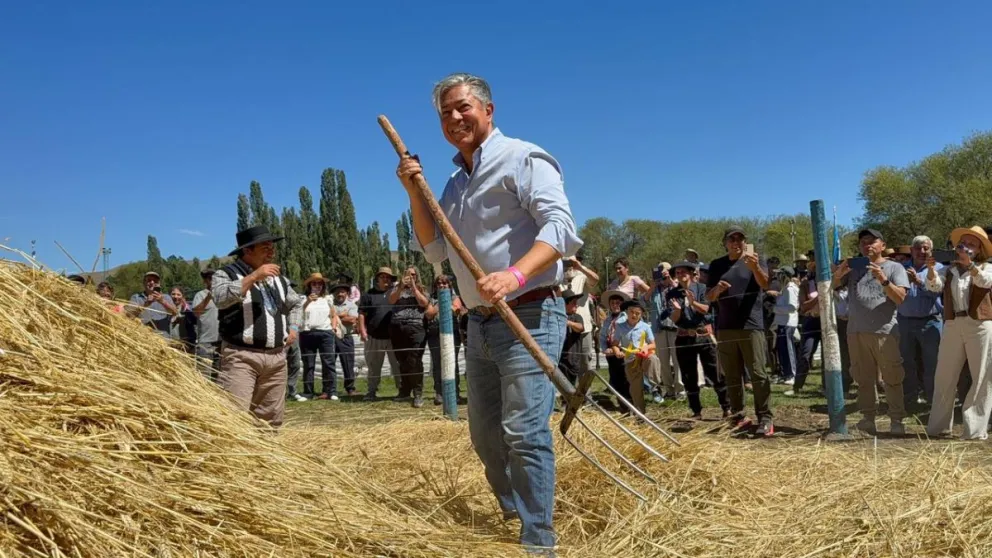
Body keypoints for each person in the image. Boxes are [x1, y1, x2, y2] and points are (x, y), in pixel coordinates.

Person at [399, 72, 581, 553]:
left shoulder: (522, 157)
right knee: (484, 436)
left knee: (523, 431)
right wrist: (415, 193)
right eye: (445, 113)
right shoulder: (455, 183)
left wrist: (514, 275)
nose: (455, 118)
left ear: (488, 109)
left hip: (531, 313)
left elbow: (560, 228)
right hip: (478, 323)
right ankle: (512, 508)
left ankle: (538, 538)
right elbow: (436, 250)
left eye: (463, 107)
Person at [210, 225, 304, 428]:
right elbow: (219, 299)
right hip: (241, 356)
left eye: (272, 248)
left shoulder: (278, 279)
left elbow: (295, 303)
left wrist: (294, 327)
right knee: (234, 414)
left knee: (271, 417)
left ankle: (267, 455)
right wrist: (253, 277)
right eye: (265, 248)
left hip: (277, 357)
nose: (271, 252)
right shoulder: (225, 274)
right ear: (247, 250)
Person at [832, 228, 909, 435]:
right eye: (863, 242)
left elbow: (900, 298)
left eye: (872, 241)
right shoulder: (854, 268)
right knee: (863, 378)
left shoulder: (895, 267)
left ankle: (896, 421)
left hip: (884, 331)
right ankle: (868, 419)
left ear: (882, 246)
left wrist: (884, 279)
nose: (867, 245)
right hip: (856, 331)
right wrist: (838, 275)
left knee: (892, 377)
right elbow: (831, 287)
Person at [705, 226, 774, 436]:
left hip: (751, 325)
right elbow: (709, 297)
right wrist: (717, 289)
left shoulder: (754, 260)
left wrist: (754, 268)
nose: (736, 242)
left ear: (745, 242)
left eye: (740, 239)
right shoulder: (717, 265)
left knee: (758, 373)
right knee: (732, 375)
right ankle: (738, 416)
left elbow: (765, 284)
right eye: (732, 239)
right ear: (725, 243)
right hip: (725, 327)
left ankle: (765, 418)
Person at [925, 226, 992, 440]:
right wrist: (931, 269)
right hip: (953, 323)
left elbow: (984, 282)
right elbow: (934, 286)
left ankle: (974, 431)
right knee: (944, 375)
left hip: (980, 324)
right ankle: (938, 427)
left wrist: (970, 265)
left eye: (971, 244)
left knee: (981, 377)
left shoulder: (986, 267)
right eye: (962, 243)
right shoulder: (949, 269)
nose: (965, 247)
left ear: (979, 249)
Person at [668, 261, 730, 419]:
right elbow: (674, 319)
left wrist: (693, 302)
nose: (681, 275)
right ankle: (696, 411)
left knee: (715, 373)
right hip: (684, 337)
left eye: (684, 272)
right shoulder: (672, 293)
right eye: (678, 273)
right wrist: (677, 310)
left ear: (691, 273)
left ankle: (726, 407)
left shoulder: (702, 289)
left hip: (703, 336)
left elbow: (707, 309)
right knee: (689, 376)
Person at [897, 236, 944, 409]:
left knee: (932, 363)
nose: (922, 251)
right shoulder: (900, 269)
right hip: (904, 321)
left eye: (926, 248)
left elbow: (937, 293)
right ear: (911, 250)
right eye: (918, 248)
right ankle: (909, 399)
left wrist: (919, 282)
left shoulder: (938, 268)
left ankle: (933, 400)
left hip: (930, 322)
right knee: (906, 362)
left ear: (931, 251)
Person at [605, 299, 660, 413]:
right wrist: (616, 351)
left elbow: (653, 344)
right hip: (630, 360)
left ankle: (655, 385)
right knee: (635, 389)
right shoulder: (620, 326)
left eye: (637, 313)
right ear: (627, 312)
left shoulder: (645, 326)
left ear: (641, 314)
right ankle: (640, 415)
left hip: (644, 356)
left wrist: (646, 347)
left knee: (653, 359)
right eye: (631, 312)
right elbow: (615, 344)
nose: (634, 315)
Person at [388, 266, 432, 408]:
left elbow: (424, 303)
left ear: (417, 276)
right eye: (408, 275)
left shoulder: (422, 289)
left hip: (416, 327)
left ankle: (418, 393)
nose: (410, 277)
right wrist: (401, 286)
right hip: (397, 326)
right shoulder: (397, 288)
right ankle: (404, 391)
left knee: (414, 360)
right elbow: (391, 300)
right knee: (402, 360)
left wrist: (413, 287)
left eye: (413, 275)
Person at [358, 267, 401, 401]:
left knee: (398, 366)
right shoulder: (368, 295)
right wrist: (363, 331)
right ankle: (371, 391)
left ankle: (402, 390)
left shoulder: (395, 294)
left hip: (394, 337)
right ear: (377, 279)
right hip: (374, 336)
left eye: (388, 277)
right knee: (373, 366)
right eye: (383, 277)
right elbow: (361, 314)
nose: (386, 279)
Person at [300, 273, 341, 401]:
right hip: (307, 333)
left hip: (325, 333)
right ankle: (308, 392)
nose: (317, 286)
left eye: (320, 284)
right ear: (309, 285)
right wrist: (307, 301)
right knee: (308, 364)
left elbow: (334, 314)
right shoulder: (302, 298)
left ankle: (331, 391)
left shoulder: (328, 299)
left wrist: (334, 327)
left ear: (323, 286)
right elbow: (297, 313)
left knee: (329, 363)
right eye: (314, 283)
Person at [426, 274, 466, 405]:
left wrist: (442, 306)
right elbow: (429, 314)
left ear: (449, 285)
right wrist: (443, 303)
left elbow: (455, 309)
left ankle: (455, 392)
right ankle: (439, 392)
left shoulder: (456, 298)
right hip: (434, 334)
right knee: (437, 363)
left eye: (444, 283)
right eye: (439, 284)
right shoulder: (431, 299)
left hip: (451, 335)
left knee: (452, 362)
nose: (441, 286)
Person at [599, 290, 633, 410]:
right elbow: (602, 336)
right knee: (615, 379)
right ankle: (622, 405)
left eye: (618, 303)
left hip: (623, 352)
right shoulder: (607, 320)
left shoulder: (626, 317)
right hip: (611, 354)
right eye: (613, 303)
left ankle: (630, 405)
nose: (615, 305)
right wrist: (605, 349)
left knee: (626, 380)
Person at [330, 282, 360, 397]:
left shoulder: (352, 305)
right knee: (329, 363)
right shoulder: (329, 303)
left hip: (346, 337)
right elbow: (327, 318)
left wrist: (335, 316)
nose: (339, 294)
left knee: (348, 363)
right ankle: (328, 389)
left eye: (342, 291)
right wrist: (342, 315)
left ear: (347, 293)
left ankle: (350, 388)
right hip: (331, 337)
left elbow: (352, 320)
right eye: (337, 292)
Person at [772, 266, 800, 385]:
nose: (777, 277)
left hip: (788, 323)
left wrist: (775, 309)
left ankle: (792, 374)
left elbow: (792, 307)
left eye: (779, 274)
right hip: (782, 322)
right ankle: (786, 374)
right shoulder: (785, 289)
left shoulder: (790, 288)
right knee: (782, 349)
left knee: (788, 350)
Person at [128, 271, 177, 338]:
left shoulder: (166, 297)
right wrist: (146, 304)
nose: (152, 282)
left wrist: (162, 301)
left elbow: (175, 312)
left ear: (159, 284)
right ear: (144, 283)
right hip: (144, 340)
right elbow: (129, 315)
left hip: (164, 340)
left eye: (155, 281)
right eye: (149, 280)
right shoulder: (136, 298)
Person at [192, 269, 221, 381]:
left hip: (221, 342)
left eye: (214, 277)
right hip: (205, 343)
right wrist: (208, 298)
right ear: (205, 280)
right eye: (209, 278)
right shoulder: (200, 295)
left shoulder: (222, 295)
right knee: (203, 378)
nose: (212, 280)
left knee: (219, 379)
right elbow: (196, 312)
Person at [558, 289, 586, 386]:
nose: (576, 305)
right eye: (574, 302)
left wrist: (568, 323)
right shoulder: (558, 316)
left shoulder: (577, 317)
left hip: (573, 359)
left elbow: (580, 328)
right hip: (560, 358)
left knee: (571, 384)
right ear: (565, 304)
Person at [169, 287, 197, 353]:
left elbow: (195, 321)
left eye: (178, 294)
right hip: (171, 346)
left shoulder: (188, 309)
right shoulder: (164, 309)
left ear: (183, 296)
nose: (176, 297)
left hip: (186, 346)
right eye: (173, 294)